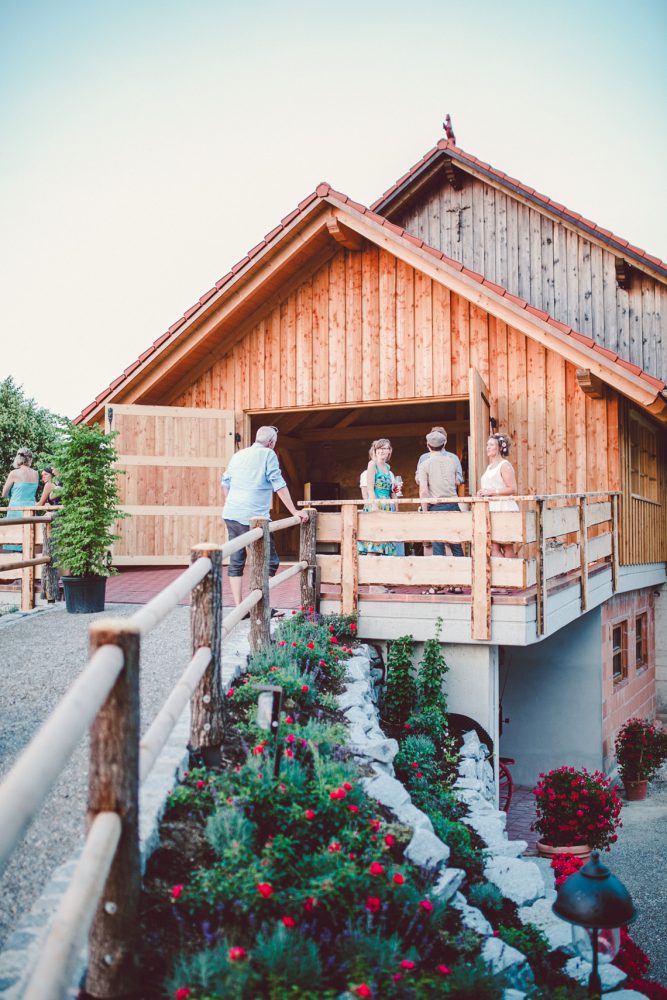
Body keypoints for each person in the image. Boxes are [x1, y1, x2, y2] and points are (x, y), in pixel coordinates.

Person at [221, 425, 307, 608]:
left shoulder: (238, 455)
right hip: (254, 518)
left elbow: (225, 483)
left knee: (237, 561)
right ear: (271, 443)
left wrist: (232, 503)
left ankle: (240, 606)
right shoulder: (269, 455)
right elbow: (279, 485)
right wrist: (294, 512)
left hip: (231, 514)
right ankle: (256, 605)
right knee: (270, 561)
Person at [417, 431, 464, 593]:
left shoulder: (425, 465)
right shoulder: (452, 462)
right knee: (456, 546)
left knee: (438, 547)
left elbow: (423, 491)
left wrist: (425, 512)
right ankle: (459, 584)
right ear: (444, 444)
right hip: (454, 505)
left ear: (428, 446)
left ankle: (438, 584)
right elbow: (456, 481)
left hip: (437, 508)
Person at [477, 433, 519, 557]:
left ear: (500, 448)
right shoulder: (489, 467)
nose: (488, 447)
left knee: (506, 545)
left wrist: (491, 492)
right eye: (487, 445)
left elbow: (512, 488)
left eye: (491, 445)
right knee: (493, 546)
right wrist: (482, 492)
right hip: (491, 508)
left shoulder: (504, 465)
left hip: (504, 507)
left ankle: (511, 573)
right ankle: (503, 574)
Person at [357, 439, 399, 558]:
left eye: (384, 448)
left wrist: (395, 508)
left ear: (389, 451)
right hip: (375, 504)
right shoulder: (372, 464)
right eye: (379, 449)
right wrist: (374, 507)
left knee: (385, 541)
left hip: (387, 505)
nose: (381, 451)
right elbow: (369, 488)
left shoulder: (388, 468)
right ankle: (369, 573)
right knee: (373, 542)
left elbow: (392, 491)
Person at [2, 448, 39, 552]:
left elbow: (4, 494)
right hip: (30, 508)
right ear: (30, 459)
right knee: (28, 540)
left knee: (14, 539)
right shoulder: (36, 474)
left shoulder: (14, 473)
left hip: (16, 508)